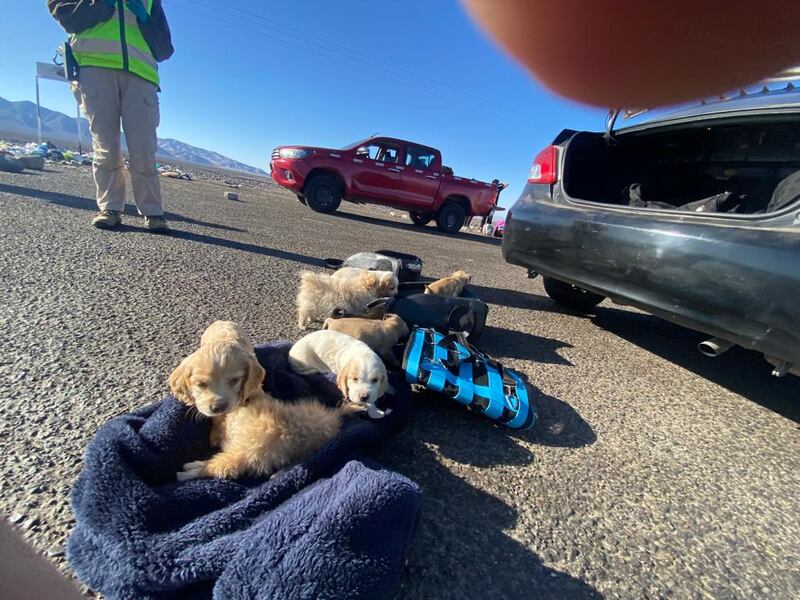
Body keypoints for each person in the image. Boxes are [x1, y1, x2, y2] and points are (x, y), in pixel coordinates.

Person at [48, 0, 174, 231]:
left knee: (144, 148)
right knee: (106, 144)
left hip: (141, 75)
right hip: (94, 69)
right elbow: (67, 18)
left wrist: (144, 19)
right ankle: (110, 208)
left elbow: (165, 48)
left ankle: (153, 212)